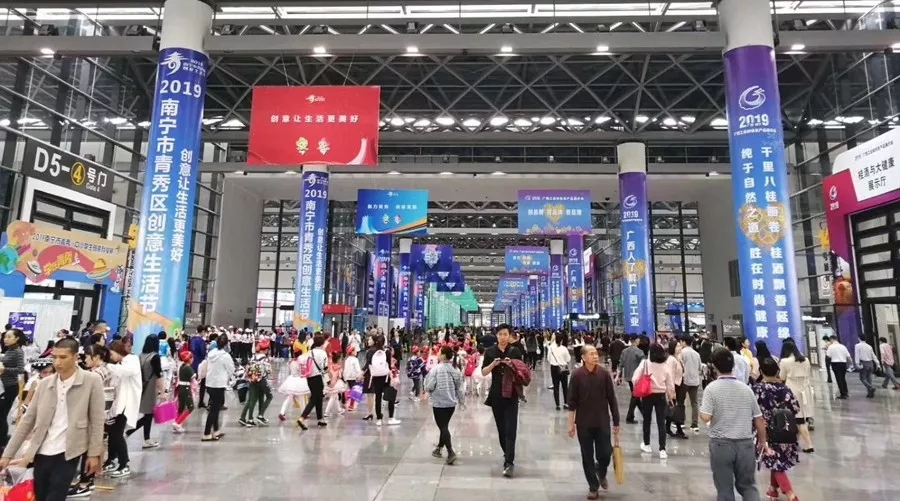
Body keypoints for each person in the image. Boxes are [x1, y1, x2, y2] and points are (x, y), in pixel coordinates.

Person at [0, 337, 104, 501]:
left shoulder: (92, 381)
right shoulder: (45, 384)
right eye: (54, 357)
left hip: (68, 451)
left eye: (63, 357)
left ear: (76, 357)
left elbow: (97, 420)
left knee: (56, 495)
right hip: (41, 450)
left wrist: (94, 454)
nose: (57, 362)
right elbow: (27, 421)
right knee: (41, 495)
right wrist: (8, 454)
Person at [700, 349, 768, 501]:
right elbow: (758, 418)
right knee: (748, 486)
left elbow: (706, 417)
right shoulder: (746, 389)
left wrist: (701, 410)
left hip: (721, 444)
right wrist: (763, 441)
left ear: (714, 367)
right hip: (745, 444)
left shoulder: (711, 388)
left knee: (724, 489)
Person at [567, 346, 619, 500]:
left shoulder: (604, 374)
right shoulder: (576, 375)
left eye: (596, 354)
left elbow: (612, 399)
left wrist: (616, 421)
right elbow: (571, 402)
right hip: (584, 423)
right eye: (591, 354)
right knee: (587, 455)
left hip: (602, 421)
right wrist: (571, 424)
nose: (595, 356)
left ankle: (601, 471)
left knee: (605, 453)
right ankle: (593, 487)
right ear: (583, 357)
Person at [753, 358, 801, 501]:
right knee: (776, 459)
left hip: (766, 431)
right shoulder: (785, 389)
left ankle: (789, 492)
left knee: (775, 461)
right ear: (778, 371)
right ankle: (773, 489)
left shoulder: (757, 389)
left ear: (761, 372)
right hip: (786, 429)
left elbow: (752, 410)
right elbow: (795, 408)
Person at [482, 324, 524, 478]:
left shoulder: (515, 351)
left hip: (511, 394)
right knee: (501, 429)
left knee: (511, 429)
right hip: (496, 394)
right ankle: (507, 453)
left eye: (505, 334)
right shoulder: (490, 351)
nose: (503, 337)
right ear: (496, 336)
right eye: (500, 334)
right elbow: (483, 372)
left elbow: (522, 372)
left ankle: (509, 463)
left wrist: (510, 365)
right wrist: (493, 364)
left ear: (510, 336)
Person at [632, 343, 675, 459]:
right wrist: (671, 396)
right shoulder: (665, 365)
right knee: (661, 422)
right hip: (661, 395)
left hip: (647, 394)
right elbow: (670, 383)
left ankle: (647, 444)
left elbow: (635, 378)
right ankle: (662, 449)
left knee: (647, 420)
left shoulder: (645, 363)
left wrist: (638, 385)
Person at [425, 346, 465, 465]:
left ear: (443, 355)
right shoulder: (455, 370)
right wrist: (462, 401)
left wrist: (426, 389)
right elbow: (459, 388)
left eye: (439, 352)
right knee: (444, 426)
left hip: (439, 402)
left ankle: (450, 451)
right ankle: (439, 448)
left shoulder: (435, 370)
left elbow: (430, 386)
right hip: (451, 403)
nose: (437, 354)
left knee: (443, 427)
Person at [126, 336, 163, 449]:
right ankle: (144, 438)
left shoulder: (140, 356)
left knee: (148, 414)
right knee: (149, 414)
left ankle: (137, 434)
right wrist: (163, 391)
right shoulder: (155, 357)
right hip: (150, 388)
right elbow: (159, 375)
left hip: (140, 387)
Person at [778, 341, 814, 453]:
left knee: (798, 419)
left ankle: (809, 445)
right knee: (802, 417)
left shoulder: (784, 361)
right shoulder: (805, 360)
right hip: (805, 390)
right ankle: (796, 442)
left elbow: (782, 377)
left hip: (792, 391)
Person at [203, 336, 234, 442]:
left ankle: (216, 430)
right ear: (226, 345)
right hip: (219, 384)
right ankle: (206, 433)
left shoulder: (211, 353)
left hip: (209, 383)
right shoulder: (225, 356)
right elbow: (231, 369)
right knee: (214, 410)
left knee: (214, 407)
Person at [0, 328, 27, 449]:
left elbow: (20, 370)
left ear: (17, 338)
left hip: (10, 387)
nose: (5, 339)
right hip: (4, 386)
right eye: (5, 337)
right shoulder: (10, 350)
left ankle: (2, 441)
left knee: (2, 414)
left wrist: (5, 369)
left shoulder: (18, 351)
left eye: (9, 337)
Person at [297, 334, 329, 430]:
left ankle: (320, 419)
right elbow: (325, 367)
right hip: (318, 377)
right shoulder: (322, 353)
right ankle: (302, 418)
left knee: (318, 398)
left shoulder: (310, 352)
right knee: (314, 399)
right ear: (322, 343)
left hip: (309, 377)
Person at [239, 339, 273, 427]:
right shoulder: (265, 359)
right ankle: (260, 415)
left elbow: (247, 368)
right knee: (269, 396)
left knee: (252, 399)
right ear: (266, 350)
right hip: (261, 380)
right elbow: (268, 371)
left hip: (252, 379)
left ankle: (246, 418)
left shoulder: (253, 358)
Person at [617, 335, 645, 424]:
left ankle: (644, 414)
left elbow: (620, 365)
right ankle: (629, 417)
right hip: (637, 377)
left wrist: (617, 376)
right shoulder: (639, 352)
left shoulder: (624, 351)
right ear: (636, 340)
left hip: (628, 376)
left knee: (636, 396)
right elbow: (644, 364)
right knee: (635, 396)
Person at [277, 352, 310, 421]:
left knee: (288, 398)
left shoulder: (291, 362)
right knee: (301, 398)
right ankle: (304, 413)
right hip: (299, 381)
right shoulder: (300, 363)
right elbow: (302, 372)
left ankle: (282, 412)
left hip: (291, 380)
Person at [679, 336, 702, 433]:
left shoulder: (682, 353)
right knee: (694, 403)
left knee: (681, 401)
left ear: (684, 342)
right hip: (695, 380)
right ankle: (695, 424)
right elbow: (700, 368)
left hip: (684, 380)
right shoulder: (697, 354)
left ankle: (681, 422)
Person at [665, 340, 687, 439]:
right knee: (676, 408)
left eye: (680, 346)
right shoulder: (671, 360)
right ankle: (678, 429)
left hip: (680, 385)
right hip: (675, 386)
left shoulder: (678, 358)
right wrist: (671, 391)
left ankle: (668, 428)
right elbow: (670, 375)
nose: (680, 348)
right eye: (677, 346)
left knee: (676, 408)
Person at [172, 351, 196, 433]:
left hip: (180, 388)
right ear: (190, 359)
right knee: (190, 407)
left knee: (181, 408)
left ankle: (176, 422)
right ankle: (177, 423)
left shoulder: (181, 366)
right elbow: (194, 381)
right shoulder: (189, 368)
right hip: (186, 388)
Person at [547, 332, 572, 410]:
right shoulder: (564, 349)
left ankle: (557, 405)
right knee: (565, 386)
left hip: (554, 368)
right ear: (561, 340)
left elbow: (548, 359)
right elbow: (568, 359)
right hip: (563, 368)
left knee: (556, 386)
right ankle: (566, 403)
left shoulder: (551, 348)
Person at [343, 347, 362, 412]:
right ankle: (351, 405)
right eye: (355, 351)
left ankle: (346, 402)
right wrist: (360, 375)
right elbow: (357, 369)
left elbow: (345, 369)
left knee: (349, 390)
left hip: (348, 377)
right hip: (353, 377)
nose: (356, 352)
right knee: (354, 391)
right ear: (352, 352)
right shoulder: (355, 359)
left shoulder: (347, 359)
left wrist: (345, 377)